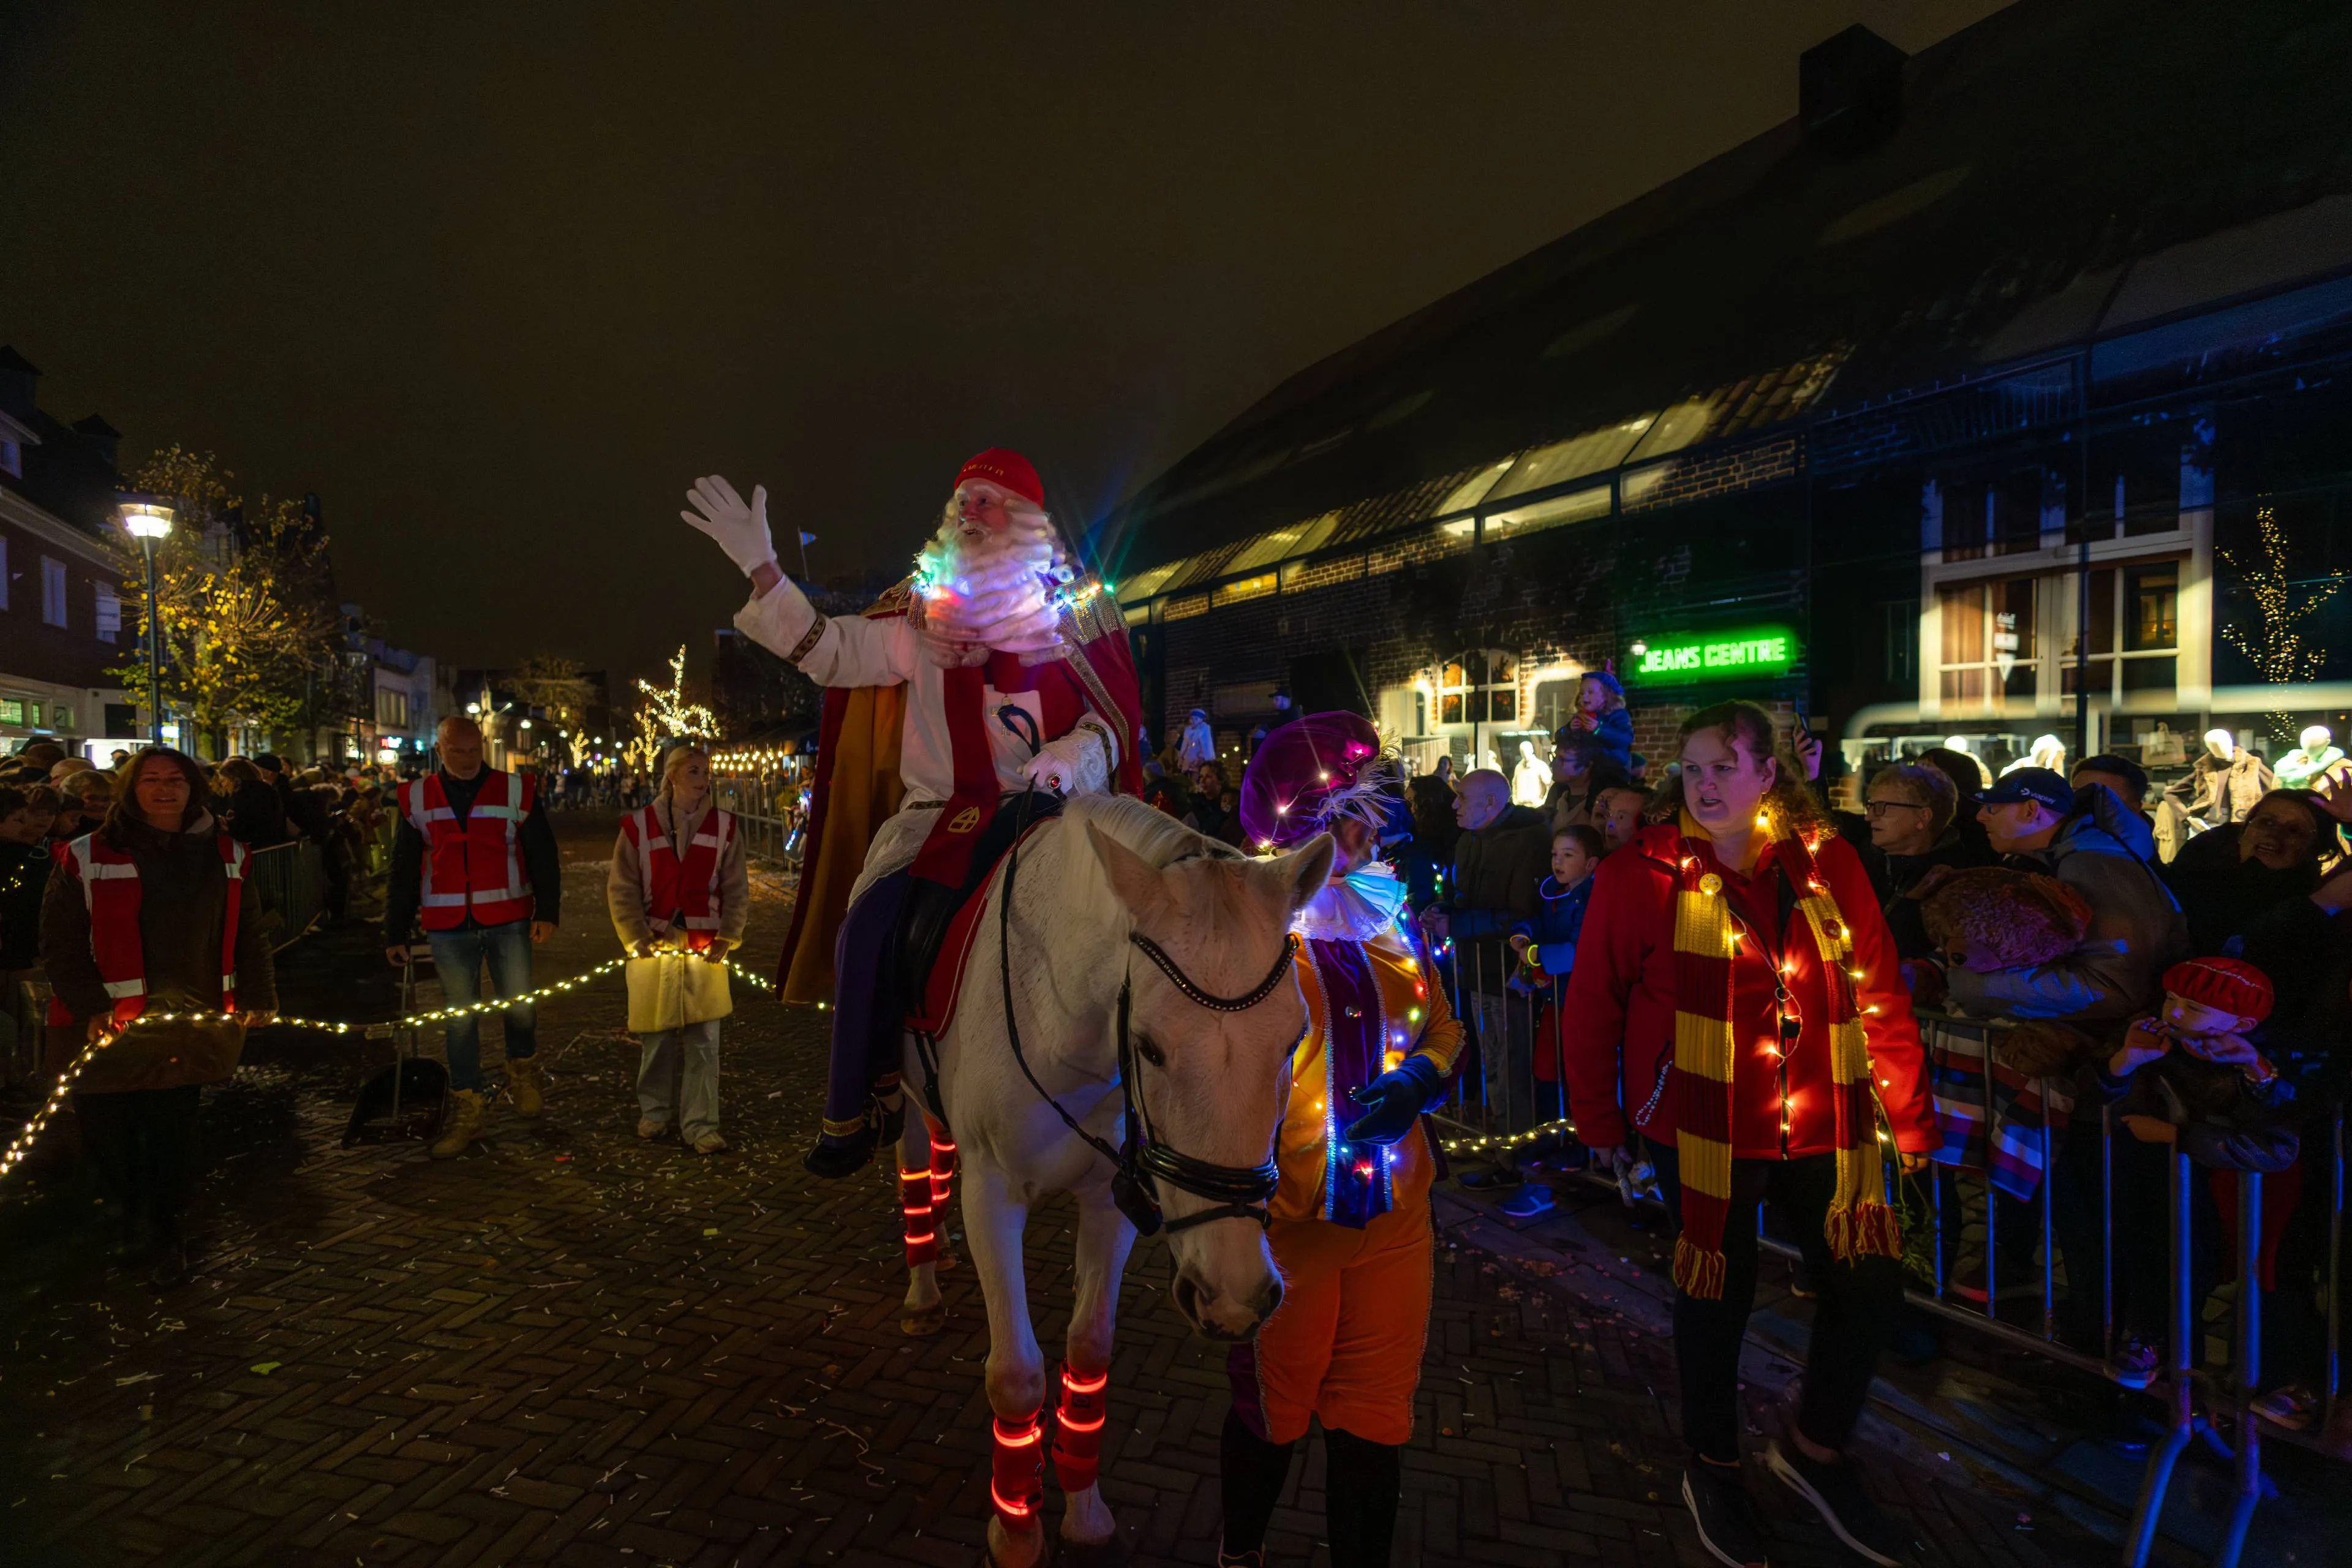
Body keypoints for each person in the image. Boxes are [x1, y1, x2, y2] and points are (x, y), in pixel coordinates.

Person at [684, 450, 1145, 1177]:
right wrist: (765, 571)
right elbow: (830, 650)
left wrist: (1072, 752)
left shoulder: (1075, 613)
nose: (968, 513)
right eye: (961, 502)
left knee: (1135, 936)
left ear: (1025, 521)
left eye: (987, 501)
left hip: (1047, 810)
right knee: (866, 924)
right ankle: (870, 1094)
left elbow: (1115, 717)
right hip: (937, 815)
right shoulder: (917, 616)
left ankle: (1144, 1120)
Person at [1561, 700, 1935, 1567]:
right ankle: (1713, 1461)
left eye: (1723, 766)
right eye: (1692, 769)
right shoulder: (1640, 873)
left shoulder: (1828, 861)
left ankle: (1813, 1450)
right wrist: (1601, 1118)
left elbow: (1876, 990)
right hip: (1697, 1121)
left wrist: (1907, 1115)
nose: (1704, 784)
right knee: (1715, 1296)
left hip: (1821, 1117)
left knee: (1870, 1287)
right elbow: (1594, 1004)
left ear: (1768, 773)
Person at [1217, 713, 1463, 1568]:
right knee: (1274, 1415)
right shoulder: (1251, 940)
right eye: (1351, 814)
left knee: (1375, 1418)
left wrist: (1420, 1079)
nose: (1371, 829)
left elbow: (1443, 1027)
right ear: (1305, 826)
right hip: (1291, 1225)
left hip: (1396, 1220)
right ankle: (1237, 1554)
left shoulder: (1384, 916)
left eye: (1369, 814)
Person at [41, 747, 276, 1281]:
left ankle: (165, 1238)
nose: (164, 789)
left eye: (176, 779)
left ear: (195, 788)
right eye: (151, 780)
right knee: (110, 1137)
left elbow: (249, 931)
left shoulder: (228, 854)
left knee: (171, 1136)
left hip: (187, 1026)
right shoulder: (86, 854)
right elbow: (61, 941)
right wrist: (91, 1006)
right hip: (108, 1027)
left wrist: (259, 995)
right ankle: (130, 1227)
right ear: (131, 789)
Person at [384, 714, 562, 1159]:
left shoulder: (516, 790)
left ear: (481, 746)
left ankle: (522, 1069)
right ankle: (469, 1102)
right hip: (447, 924)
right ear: (439, 750)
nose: (466, 759)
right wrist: (396, 928)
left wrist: (549, 910)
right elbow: (404, 867)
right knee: (459, 1018)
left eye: (472, 749)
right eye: (456, 751)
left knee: (519, 1003)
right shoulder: (416, 797)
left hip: (508, 916)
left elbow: (542, 852)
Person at [1942, 767, 2187, 1022]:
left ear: (2030, 811)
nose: (1981, 817)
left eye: (1994, 808)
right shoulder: (2076, 856)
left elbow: (2113, 988)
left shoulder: (2093, 866)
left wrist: (1970, 987)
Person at [608, 743, 747, 1155]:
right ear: (671, 775)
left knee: (705, 1042)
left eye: (705, 771)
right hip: (656, 946)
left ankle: (702, 1124)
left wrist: (729, 936)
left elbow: (736, 888)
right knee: (656, 1038)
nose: (703, 779)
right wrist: (635, 937)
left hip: (706, 949)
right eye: (693, 771)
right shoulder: (638, 826)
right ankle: (656, 1111)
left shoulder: (726, 826)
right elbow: (622, 888)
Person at [1421, 768, 1549, 1188]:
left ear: (1491, 804)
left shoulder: (1527, 843)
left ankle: (1521, 1164)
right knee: (1494, 1064)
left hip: (1506, 976)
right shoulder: (1468, 839)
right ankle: (1505, 1154)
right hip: (1475, 970)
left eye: (1462, 798)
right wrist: (1443, 910)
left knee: (1509, 1068)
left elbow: (1521, 914)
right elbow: (1464, 896)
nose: (1454, 805)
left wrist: (1457, 925)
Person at [1496, 822, 1602, 1219]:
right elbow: (1539, 925)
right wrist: (1524, 937)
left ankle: (1574, 1147)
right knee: (1549, 1071)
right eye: (1555, 854)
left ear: (1590, 863)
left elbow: (1580, 947)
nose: (1558, 862)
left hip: (1581, 999)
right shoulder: (1556, 894)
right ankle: (1551, 1140)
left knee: (1574, 1073)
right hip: (1556, 1000)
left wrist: (1537, 955)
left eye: (1568, 855)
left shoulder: (1591, 899)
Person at [2161, 789, 2329, 956]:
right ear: (2244, 831)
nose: (2274, 835)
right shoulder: (2194, 876)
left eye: (2294, 830)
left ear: (2316, 847)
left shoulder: (2317, 908)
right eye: (2267, 823)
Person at [1864, 762, 1974, 960]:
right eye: (1870, 806)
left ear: (1923, 816)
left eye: (1881, 808)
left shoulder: (1952, 880)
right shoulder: (1861, 863)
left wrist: (1910, 907)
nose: (1869, 817)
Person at [1562, 670, 1634, 769]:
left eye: (1590, 692)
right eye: (1582, 693)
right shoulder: (1580, 716)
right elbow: (1559, 737)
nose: (1584, 698)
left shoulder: (1618, 715)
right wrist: (1569, 729)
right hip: (1585, 771)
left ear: (1606, 696)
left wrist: (1599, 729)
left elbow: (1625, 739)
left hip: (1613, 770)